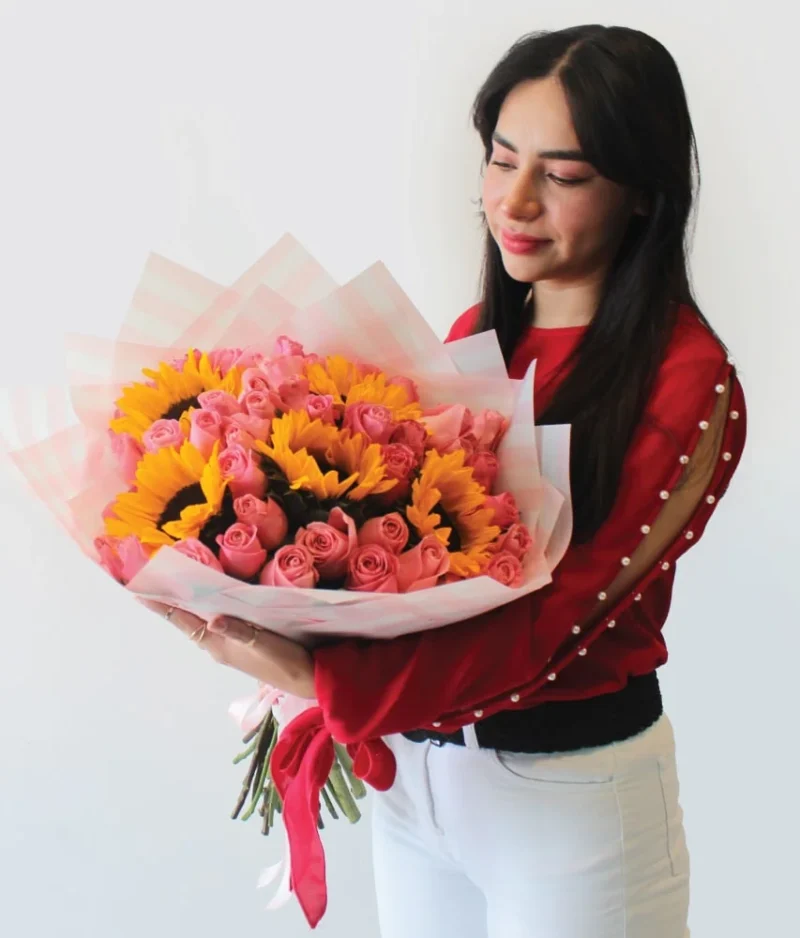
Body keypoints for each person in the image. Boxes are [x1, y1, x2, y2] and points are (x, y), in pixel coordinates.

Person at [142, 24, 747, 938]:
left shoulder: (684, 376)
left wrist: (323, 675)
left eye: (565, 176)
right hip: (416, 780)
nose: (515, 201)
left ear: (642, 196)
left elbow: (560, 617)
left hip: (570, 798)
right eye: (501, 161)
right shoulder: (479, 330)